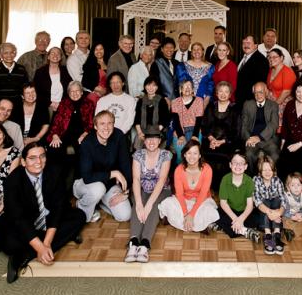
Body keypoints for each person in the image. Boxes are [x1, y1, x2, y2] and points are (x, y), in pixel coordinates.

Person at [0, 143, 86, 283]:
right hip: (26, 221)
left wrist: (46, 243)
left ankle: (23, 256)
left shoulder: (55, 172)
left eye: (42, 156)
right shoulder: (13, 180)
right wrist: (40, 248)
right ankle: (61, 238)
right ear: (23, 162)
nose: (38, 162)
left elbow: (58, 208)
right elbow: (18, 218)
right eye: (32, 158)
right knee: (8, 241)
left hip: (48, 218)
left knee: (79, 217)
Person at [73, 111, 133, 223]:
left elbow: (126, 165)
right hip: (84, 184)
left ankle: (98, 202)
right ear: (95, 126)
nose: (106, 127)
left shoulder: (119, 136)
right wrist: (114, 173)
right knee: (99, 188)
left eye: (110, 123)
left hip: (108, 184)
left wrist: (125, 192)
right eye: (102, 123)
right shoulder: (87, 143)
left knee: (125, 215)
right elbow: (87, 177)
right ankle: (81, 206)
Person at [125, 127, 172, 263]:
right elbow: (136, 179)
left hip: (162, 189)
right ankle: (134, 242)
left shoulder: (166, 155)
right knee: (137, 204)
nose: (151, 142)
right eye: (148, 139)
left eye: (155, 138)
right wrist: (140, 204)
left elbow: (162, 180)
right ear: (144, 141)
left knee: (154, 205)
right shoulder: (138, 155)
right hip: (142, 188)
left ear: (159, 140)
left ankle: (145, 244)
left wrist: (149, 205)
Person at [158, 139, 219, 232]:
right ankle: (196, 225)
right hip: (184, 200)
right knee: (167, 203)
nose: (192, 156)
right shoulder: (178, 170)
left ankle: (187, 223)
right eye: (189, 153)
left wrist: (191, 214)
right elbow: (179, 194)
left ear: (199, 155)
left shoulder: (207, 169)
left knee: (209, 210)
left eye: (195, 153)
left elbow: (203, 194)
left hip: (201, 201)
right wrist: (186, 214)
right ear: (184, 155)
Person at [47, 82, 94, 170]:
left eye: (77, 91)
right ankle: (59, 175)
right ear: (68, 93)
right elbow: (56, 121)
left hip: (82, 133)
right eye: (72, 91)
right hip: (64, 132)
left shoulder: (89, 104)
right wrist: (55, 135)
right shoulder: (64, 103)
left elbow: (91, 123)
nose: (75, 93)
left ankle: (79, 176)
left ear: (82, 92)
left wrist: (85, 134)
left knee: (83, 148)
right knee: (54, 147)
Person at [201, 81, 240, 184]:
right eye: (220, 91)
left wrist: (221, 142)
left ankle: (221, 186)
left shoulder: (235, 109)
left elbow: (236, 131)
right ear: (216, 93)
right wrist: (212, 139)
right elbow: (204, 126)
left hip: (227, 142)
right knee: (205, 154)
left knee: (224, 157)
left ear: (230, 94)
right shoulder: (210, 106)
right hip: (210, 141)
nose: (223, 94)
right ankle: (207, 186)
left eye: (226, 92)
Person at [216, 151, 260, 241]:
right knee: (216, 215)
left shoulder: (249, 181)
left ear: (245, 166)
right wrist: (236, 219)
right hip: (230, 210)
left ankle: (230, 228)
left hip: (243, 211)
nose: (238, 165)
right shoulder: (225, 179)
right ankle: (245, 231)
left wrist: (241, 219)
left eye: (241, 163)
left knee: (257, 219)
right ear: (230, 165)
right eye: (235, 162)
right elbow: (223, 203)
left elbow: (250, 205)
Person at [239, 82, 280, 171]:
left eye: (261, 92)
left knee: (275, 155)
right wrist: (248, 139)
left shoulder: (273, 105)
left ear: (266, 92)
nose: (258, 95)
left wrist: (259, 137)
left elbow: (274, 125)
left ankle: (272, 176)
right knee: (249, 154)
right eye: (256, 93)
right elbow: (244, 125)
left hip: (268, 139)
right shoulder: (247, 104)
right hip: (251, 138)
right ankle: (252, 176)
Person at [253, 157, 286, 255]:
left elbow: (283, 199)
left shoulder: (277, 180)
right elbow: (257, 202)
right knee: (265, 200)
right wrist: (271, 213)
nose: (267, 172)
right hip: (262, 212)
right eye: (264, 170)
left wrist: (278, 213)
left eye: (270, 170)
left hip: (275, 211)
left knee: (277, 199)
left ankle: (276, 233)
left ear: (273, 170)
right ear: (260, 171)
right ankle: (267, 234)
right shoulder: (256, 180)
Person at [170, 80, 205, 162]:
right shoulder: (175, 102)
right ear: (180, 90)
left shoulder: (199, 101)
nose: (187, 88)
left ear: (193, 89)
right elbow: (176, 121)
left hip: (195, 130)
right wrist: (181, 136)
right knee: (181, 156)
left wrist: (195, 135)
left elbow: (199, 120)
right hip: (180, 130)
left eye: (189, 86)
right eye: (185, 86)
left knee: (194, 155)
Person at [0, 43, 29, 109]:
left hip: (17, 105)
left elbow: (25, 87)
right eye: (6, 53)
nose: (9, 55)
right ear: (0, 55)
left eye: (12, 52)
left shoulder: (22, 69)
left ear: (15, 54)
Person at [134, 77, 171, 148]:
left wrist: (152, 134)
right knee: (138, 148)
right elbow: (137, 119)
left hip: (157, 132)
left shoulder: (162, 101)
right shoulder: (140, 101)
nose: (151, 88)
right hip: (142, 132)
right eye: (148, 85)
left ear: (157, 87)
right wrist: (139, 132)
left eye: (154, 85)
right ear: (145, 86)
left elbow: (164, 119)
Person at [34, 47, 72, 115]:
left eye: (58, 53)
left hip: (63, 107)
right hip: (45, 107)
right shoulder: (40, 72)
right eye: (52, 53)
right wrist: (50, 103)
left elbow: (70, 89)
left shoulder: (66, 71)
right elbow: (36, 91)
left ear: (61, 57)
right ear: (48, 57)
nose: (55, 55)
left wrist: (61, 104)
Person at [235, 35, 270, 106]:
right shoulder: (243, 58)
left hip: (251, 101)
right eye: (244, 43)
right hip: (240, 100)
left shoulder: (261, 60)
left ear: (256, 45)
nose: (245, 45)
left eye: (248, 43)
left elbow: (260, 83)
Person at [281, 173, 302, 241]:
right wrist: (292, 217)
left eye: (298, 185)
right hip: (288, 215)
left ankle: (292, 232)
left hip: (298, 216)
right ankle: (295, 230)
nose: (296, 187)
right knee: (285, 221)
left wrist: (301, 214)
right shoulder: (286, 196)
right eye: (293, 185)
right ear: (288, 187)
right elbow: (284, 211)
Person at [266, 48, 295, 112]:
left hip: (282, 103)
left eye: (274, 57)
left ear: (281, 58)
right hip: (271, 102)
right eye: (269, 57)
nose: (271, 59)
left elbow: (286, 92)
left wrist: (274, 106)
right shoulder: (271, 70)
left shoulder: (287, 71)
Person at [150, 37, 178, 102]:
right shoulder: (156, 63)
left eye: (171, 47)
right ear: (162, 49)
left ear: (174, 49)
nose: (169, 49)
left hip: (177, 99)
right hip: (162, 99)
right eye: (166, 47)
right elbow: (154, 83)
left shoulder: (178, 63)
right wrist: (163, 97)